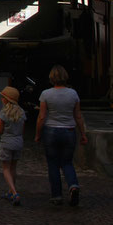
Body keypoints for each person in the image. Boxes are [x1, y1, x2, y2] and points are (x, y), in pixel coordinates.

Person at [34, 65, 88, 206]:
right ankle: (73, 185)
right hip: (69, 130)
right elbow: (78, 116)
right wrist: (83, 134)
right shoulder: (73, 94)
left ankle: (57, 195)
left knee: (53, 164)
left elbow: (41, 116)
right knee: (67, 162)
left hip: (51, 130)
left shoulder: (46, 94)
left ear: (52, 78)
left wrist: (38, 134)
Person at [0, 86, 26, 206]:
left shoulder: (4, 112)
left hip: (7, 142)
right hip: (18, 142)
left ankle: (14, 192)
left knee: (6, 169)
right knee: (13, 168)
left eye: (3, 97)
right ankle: (10, 192)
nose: (1, 99)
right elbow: (22, 130)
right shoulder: (21, 112)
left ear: (6, 99)